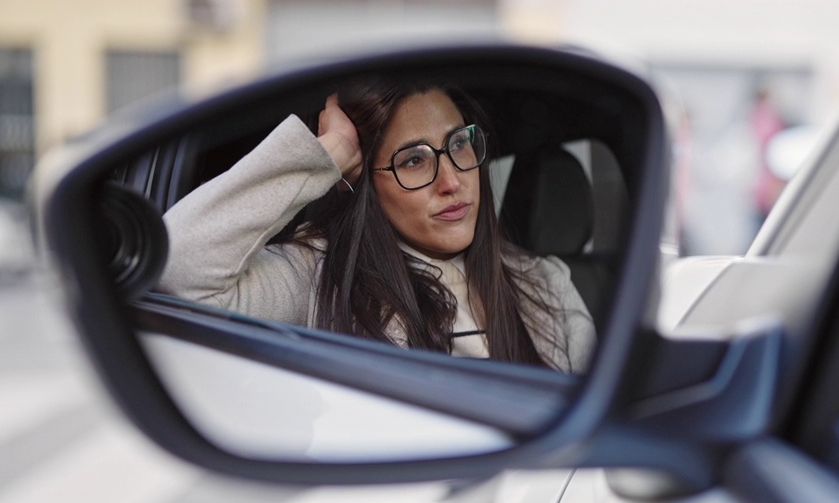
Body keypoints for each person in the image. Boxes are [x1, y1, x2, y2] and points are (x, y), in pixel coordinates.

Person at [157, 79, 596, 373]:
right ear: (366, 183)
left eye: (459, 144)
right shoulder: (322, 278)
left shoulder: (543, 285)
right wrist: (329, 152)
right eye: (413, 160)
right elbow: (178, 262)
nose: (451, 181)